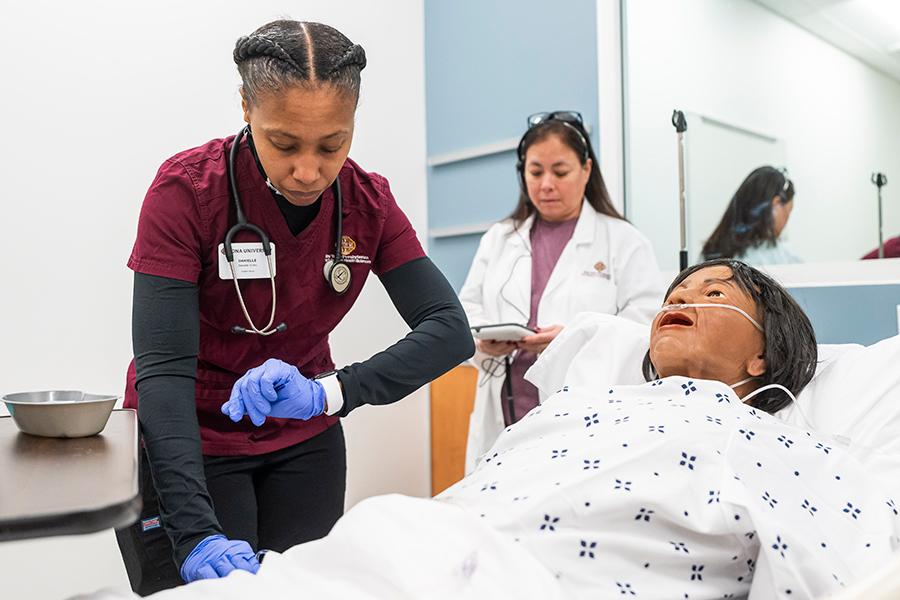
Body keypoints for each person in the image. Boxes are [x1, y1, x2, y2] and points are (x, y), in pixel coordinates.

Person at [83, 261, 900, 600]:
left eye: (717, 293)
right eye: (678, 288)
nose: (682, 296)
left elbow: (852, 565)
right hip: (416, 543)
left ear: (765, 350)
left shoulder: (775, 443)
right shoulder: (588, 405)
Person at [115, 19, 474, 595]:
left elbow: (450, 332)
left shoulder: (368, 204)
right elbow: (163, 372)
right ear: (245, 107)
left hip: (303, 438)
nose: (309, 170)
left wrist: (331, 391)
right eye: (284, 143)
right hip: (189, 440)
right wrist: (194, 533)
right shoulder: (186, 192)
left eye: (332, 144)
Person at [458, 110, 662, 472]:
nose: (546, 184)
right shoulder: (500, 238)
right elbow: (467, 309)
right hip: (503, 414)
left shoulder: (624, 242)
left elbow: (647, 331)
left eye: (560, 171)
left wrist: (575, 339)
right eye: (535, 172)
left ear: (586, 170)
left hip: (587, 422)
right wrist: (481, 340)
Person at [701, 166, 801, 265]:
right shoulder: (782, 259)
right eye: (788, 212)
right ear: (776, 204)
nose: (786, 223)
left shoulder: (709, 254)